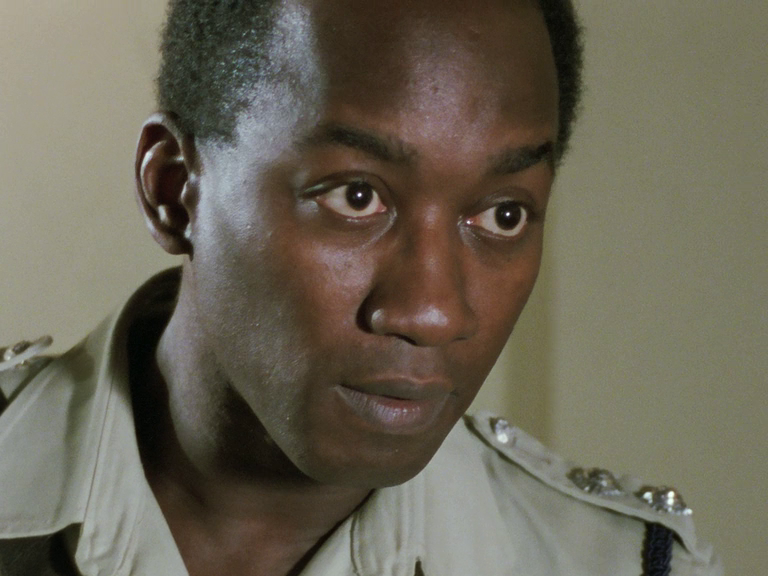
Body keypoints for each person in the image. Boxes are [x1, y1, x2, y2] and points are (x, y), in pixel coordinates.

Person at [0, 0, 721, 574]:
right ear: (175, 191)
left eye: (502, 215)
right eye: (356, 197)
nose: (432, 312)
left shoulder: (621, 566)